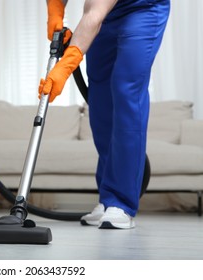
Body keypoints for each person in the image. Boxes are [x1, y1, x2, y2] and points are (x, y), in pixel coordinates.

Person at [39, 0, 170, 229]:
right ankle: (107, 197)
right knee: (100, 99)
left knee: (125, 89)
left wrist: (65, 67)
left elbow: (94, 15)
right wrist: (55, 12)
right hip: (107, 14)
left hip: (143, 10)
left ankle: (121, 203)